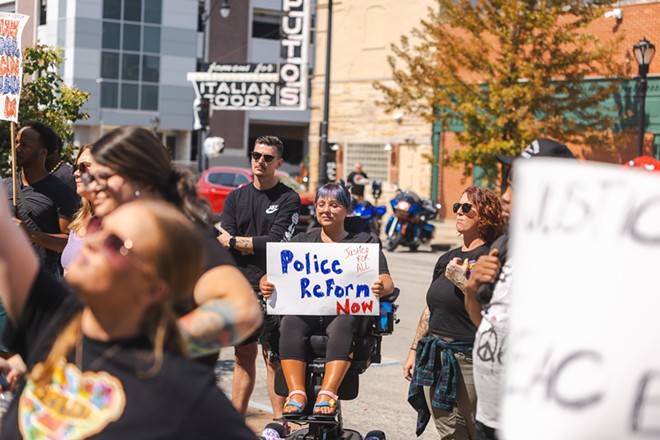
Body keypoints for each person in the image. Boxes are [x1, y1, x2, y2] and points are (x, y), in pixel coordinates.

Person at [0, 191, 256, 438]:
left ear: (154, 288)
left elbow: (245, 310)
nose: (92, 242)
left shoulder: (181, 388)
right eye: (98, 227)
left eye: (115, 243)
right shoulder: (57, 320)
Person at [82, 126, 262, 361]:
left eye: (104, 177)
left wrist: (150, 350)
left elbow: (243, 310)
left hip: (167, 391)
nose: (93, 187)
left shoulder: (183, 236)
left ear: (143, 178)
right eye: (90, 178)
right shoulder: (107, 234)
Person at [465, 138, 576, 440]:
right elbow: (487, 324)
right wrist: (472, 291)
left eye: (517, 187)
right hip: (489, 420)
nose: (504, 197)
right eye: (508, 185)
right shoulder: (506, 244)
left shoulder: (576, 257)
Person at [260, 183, 394, 417]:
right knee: (289, 322)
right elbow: (275, 274)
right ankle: (296, 393)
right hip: (306, 312)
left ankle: (327, 393)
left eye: (334, 205)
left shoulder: (363, 243)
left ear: (346, 210)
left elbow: (387, 280)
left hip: (341, 314)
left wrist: (380, 286)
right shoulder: (301, 242)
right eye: (321, 204)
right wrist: (266, 282)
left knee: (344, 322)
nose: (326, 210)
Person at [404, 186, 504, 439]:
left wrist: (462, 281)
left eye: (466, 208)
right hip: (436, 356)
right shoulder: (447, 258)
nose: (459, 212)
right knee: (449, 433)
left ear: (485, 215)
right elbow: (431, 307)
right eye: (457, 207)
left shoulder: (493, 258)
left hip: (472, 360)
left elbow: (497, 310)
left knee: (480, 432)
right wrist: (414, 350)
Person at [216, 135, 301, 419]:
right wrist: (241, 242)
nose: (260, 161)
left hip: (275, 286)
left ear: (278, 162)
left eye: (267, 157)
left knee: (273, 358)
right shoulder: (235, 197)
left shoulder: (288, 198)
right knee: (242, 356)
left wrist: (234, 242)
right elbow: (222, 238)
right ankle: (236, 423)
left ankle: (279, 426)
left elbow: (277, 242)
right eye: (256, 155)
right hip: (242, 287)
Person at [4, 121, 79, 276]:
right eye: (16, 142)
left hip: (41, 282)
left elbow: (68, 242)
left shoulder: (60, 190)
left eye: (24, 145)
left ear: (42, 153)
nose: (16, 148)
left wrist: (30, 234)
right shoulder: (5, 186)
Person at [61, 144, 94, 271]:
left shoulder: (115, 222)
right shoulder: (80, 220)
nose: (76, 173)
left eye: (84, 167)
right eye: (75, 167)